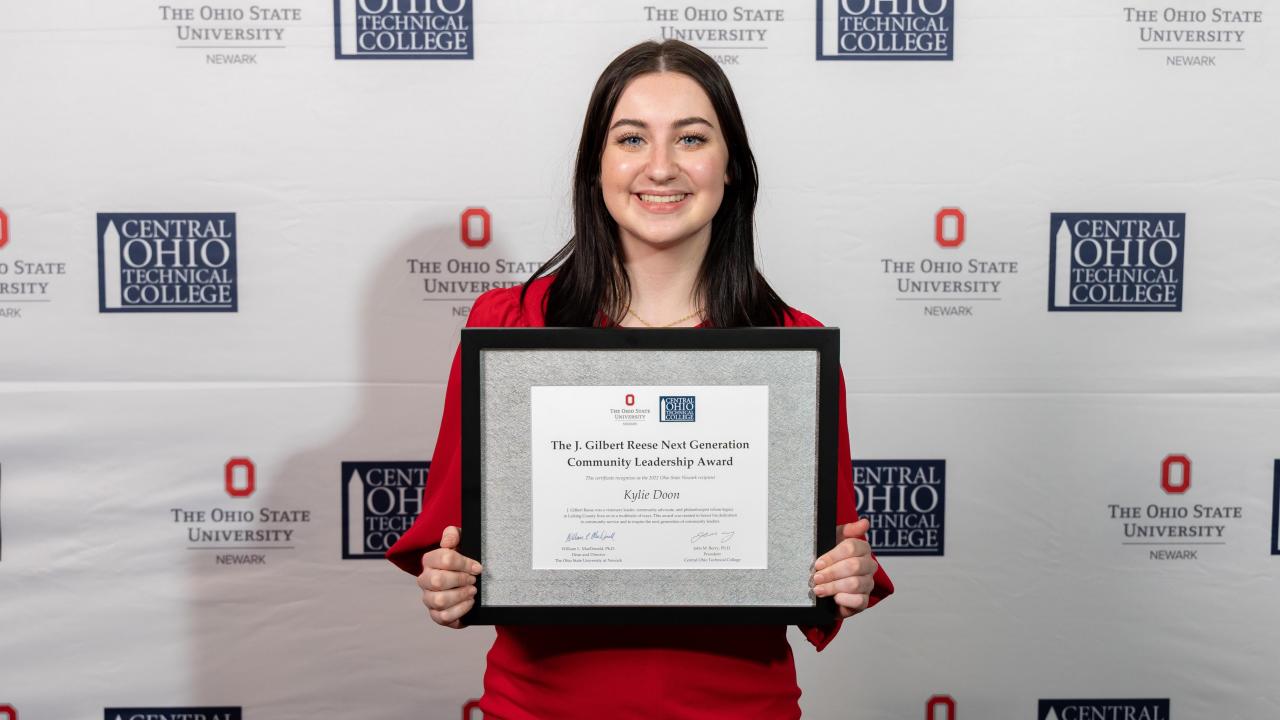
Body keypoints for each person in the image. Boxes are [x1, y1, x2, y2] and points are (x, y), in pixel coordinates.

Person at [387, 39, 894, 719]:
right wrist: (448, 580)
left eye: (691, 138)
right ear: (596, 166)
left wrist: (845, 575)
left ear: (731, 168)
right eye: (631, 138)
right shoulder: (510, 325)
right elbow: (451, 536)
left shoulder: (794, 350)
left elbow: (827, 557)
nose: (661, 167)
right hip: (539, 708)